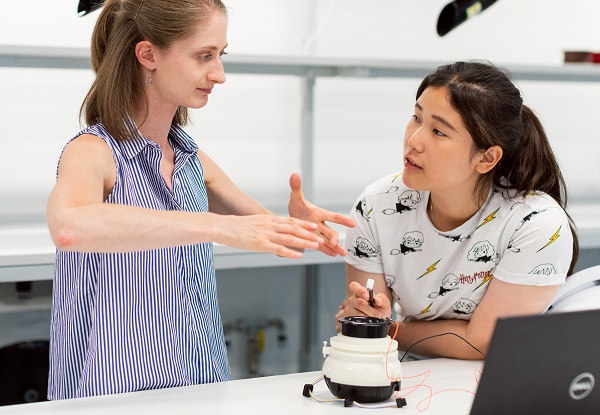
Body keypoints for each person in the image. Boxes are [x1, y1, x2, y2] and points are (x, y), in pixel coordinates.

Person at [46, 0, 354, 400]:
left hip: (201, 387)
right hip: (114, 398)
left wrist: (302, 228)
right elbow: (69, 227)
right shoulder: (93, 151)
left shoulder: (191, 159)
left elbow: (270, 235)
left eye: (220, 56)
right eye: (204, 56)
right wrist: (216, 226)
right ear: (148, 55)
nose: (220, 74)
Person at [336, 60, 579, 360]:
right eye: (416, 117)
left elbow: (484, 343)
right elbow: (366, 325)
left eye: (439, 131)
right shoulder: (377, 205)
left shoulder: (535, 223)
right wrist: (369, 318)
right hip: (407, 377)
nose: (414, 140)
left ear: (486, 158)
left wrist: (390, 329)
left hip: (499, 382)